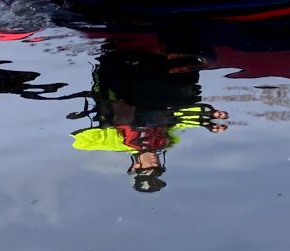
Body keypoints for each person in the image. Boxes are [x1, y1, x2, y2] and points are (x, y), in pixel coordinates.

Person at [70, 41, 229, 192]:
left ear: (134, 167)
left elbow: (79, 142)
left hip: (124, 85)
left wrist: (118, 135)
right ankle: (180, 50)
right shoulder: (167, 141)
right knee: (185, 98)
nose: (154, 164)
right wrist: (206, 117)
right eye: (157, 168)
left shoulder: (117, 142)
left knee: (125, 114)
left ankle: (126, 53)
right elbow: (181, 120)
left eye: (149, 169)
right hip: (153, 89)